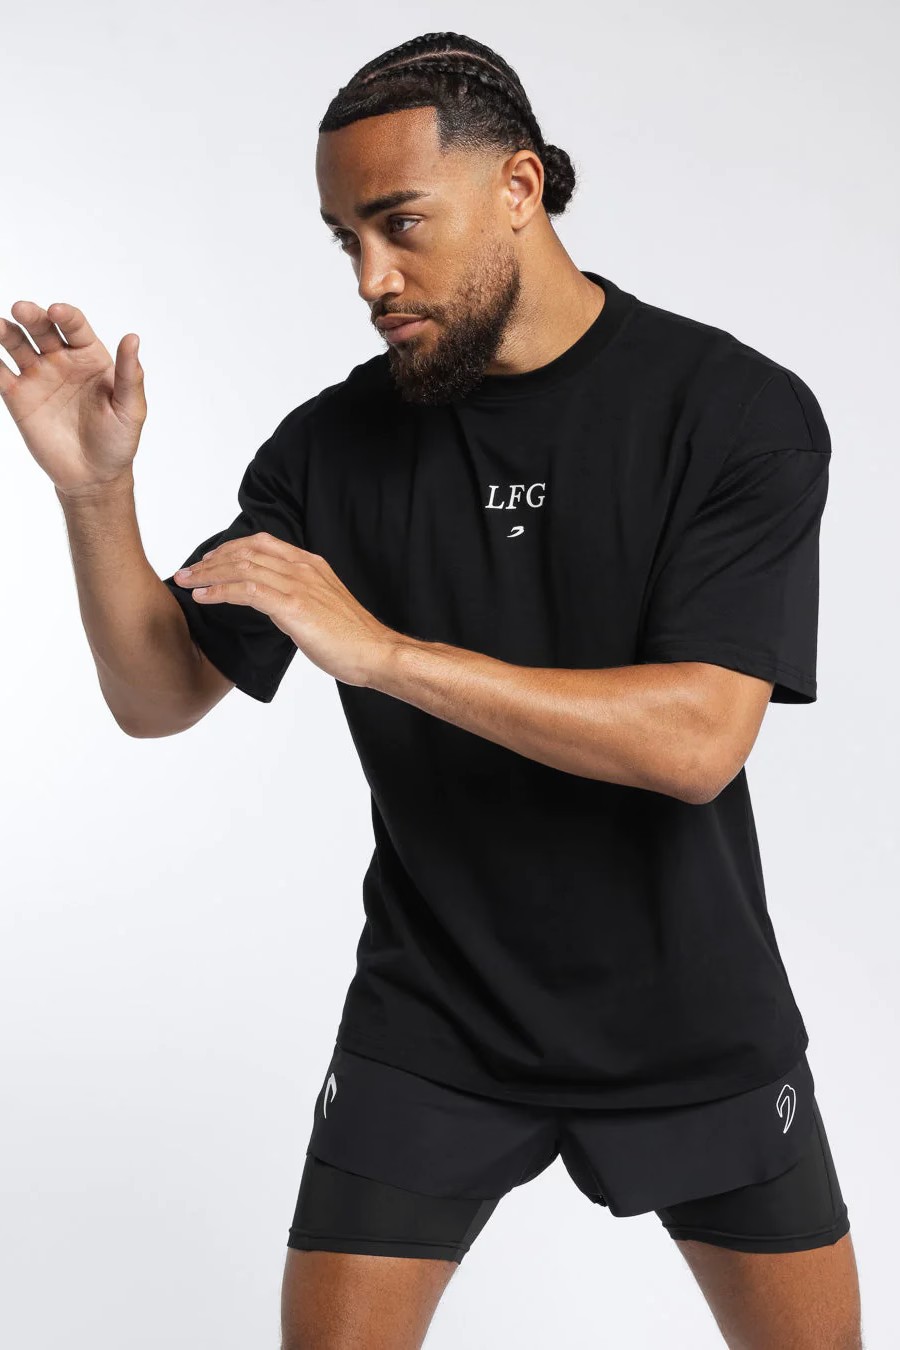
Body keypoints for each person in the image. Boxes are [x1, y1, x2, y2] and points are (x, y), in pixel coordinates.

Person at [1, 29, 863, 1350]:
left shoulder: (733, 413)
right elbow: (160, 693)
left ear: (519, 186)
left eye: (400, 223)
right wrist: (96, 494)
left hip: (692, 1019)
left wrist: (384, 654)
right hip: (434, 1021)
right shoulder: (331, 448)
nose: (371, 277)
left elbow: (699, 738)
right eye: (345, 238)